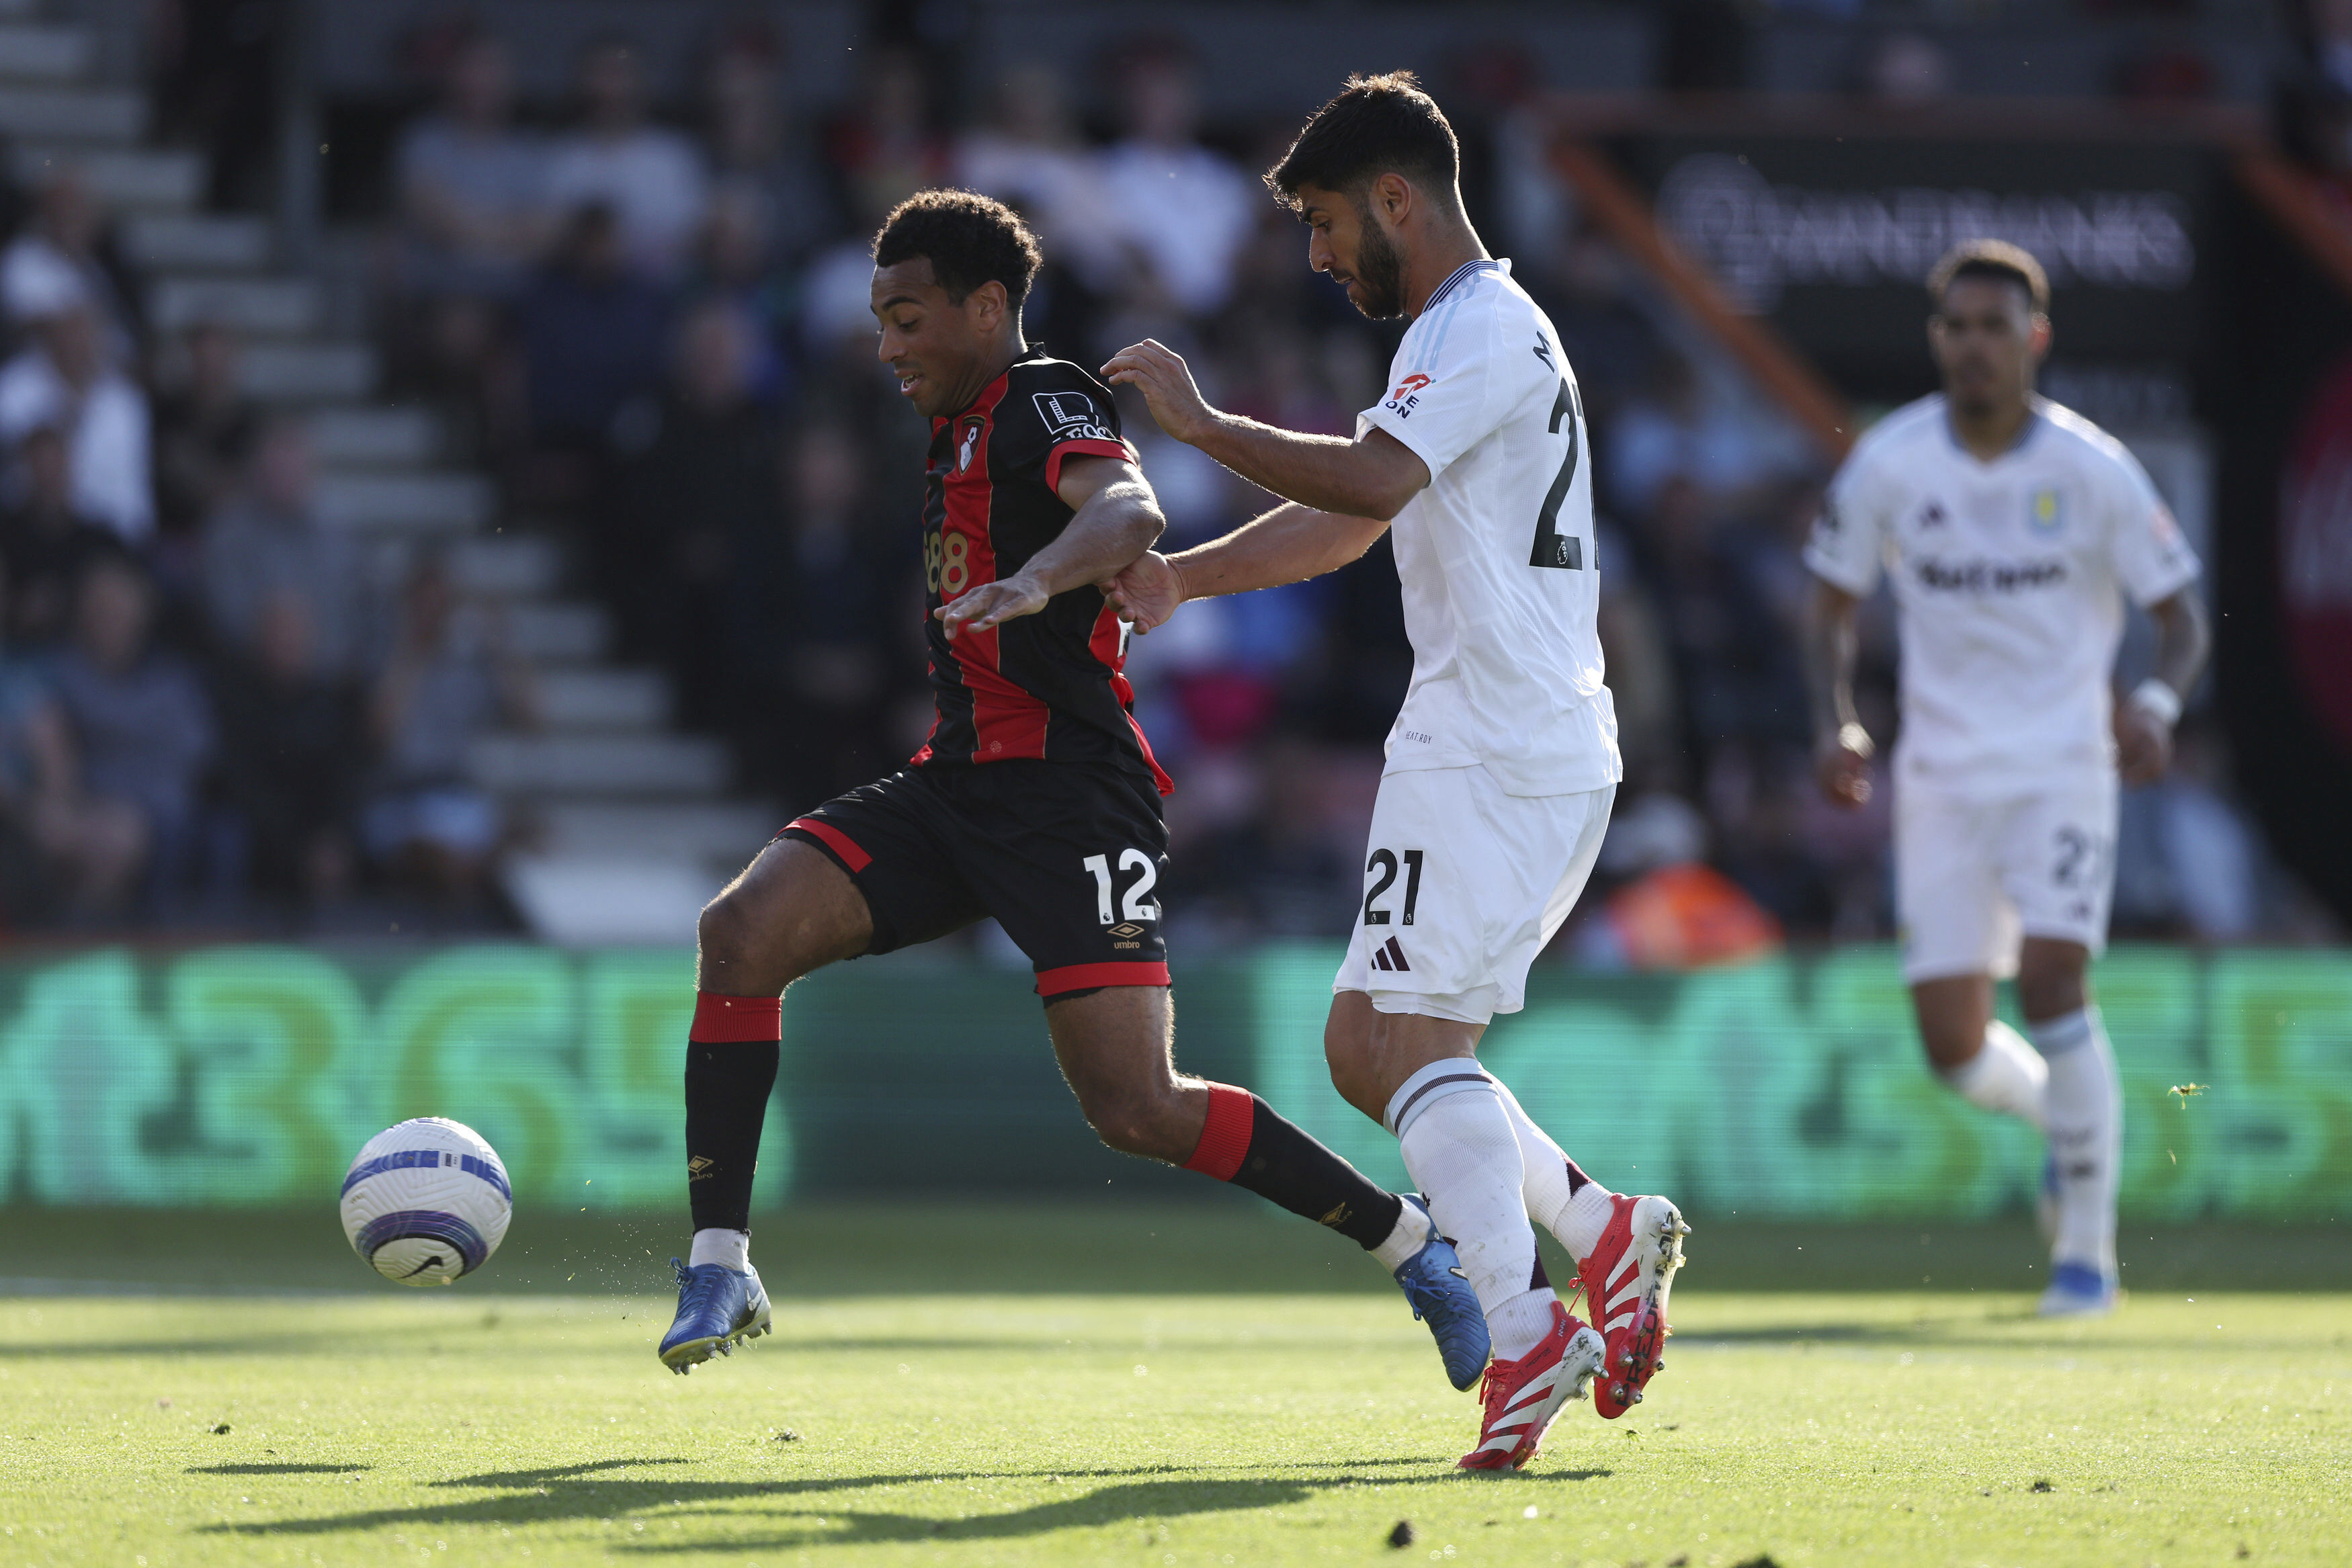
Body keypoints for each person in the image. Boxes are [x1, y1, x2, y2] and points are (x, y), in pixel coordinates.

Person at [657, 190, 1486, 1396]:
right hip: (957, 782)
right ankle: (722, 1261)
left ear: (988, 308)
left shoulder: (1042, 394)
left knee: (1138, 1105)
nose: (887, 344)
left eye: (907, 317)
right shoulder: (946, 424)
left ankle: (1414, 1244)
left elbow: (1128, 507)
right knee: (738, 933)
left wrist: (1042, 577)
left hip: (1073, 799)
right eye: (879, 320)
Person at [1101, 73, 1688, 1471]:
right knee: (1381, 1047)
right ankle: (1599, 1234)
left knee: (1394, 1048)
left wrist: (1195, 423)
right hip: (1509, 739)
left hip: (1491, 742)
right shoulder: (1467, 337)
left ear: (1395, 200)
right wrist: (1184, 579)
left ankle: (1526, 1331)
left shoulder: (1478, 325)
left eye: (1321, 223)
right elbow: (1353, 524)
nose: (1315, 255)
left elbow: (1363, 484)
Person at [1800, 240, 2209, 1318]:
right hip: (1939, 780)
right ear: (1937, 341)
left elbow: (2181, 619)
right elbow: (1831, 602)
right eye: (1956, 327)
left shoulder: (2091, 468)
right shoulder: (1891, 462)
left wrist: (2158, 705)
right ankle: (2059, 1125)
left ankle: (2086, 1255)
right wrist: (1839, 719)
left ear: (2035, 339)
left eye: (1995, 327)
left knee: (2055, 979)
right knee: (1952, 1045)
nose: (1975, 346)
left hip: (2064, 769)